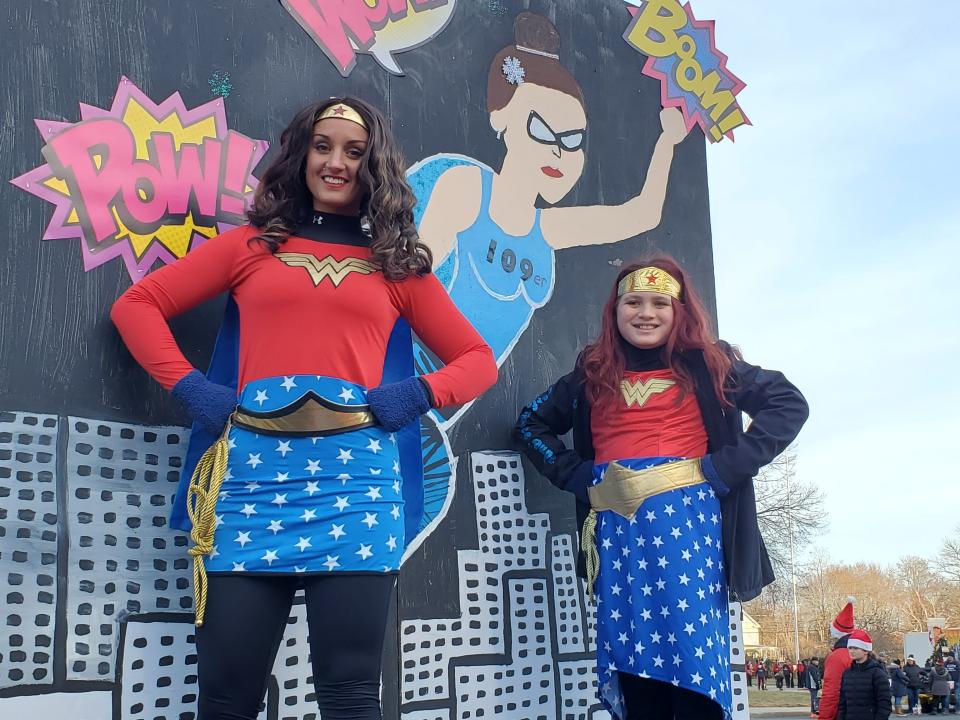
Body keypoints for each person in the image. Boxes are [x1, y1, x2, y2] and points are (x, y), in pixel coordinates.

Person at [111, 98, 497, 720]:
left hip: (360, 491)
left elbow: (477, 359)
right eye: (323, 146)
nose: (336, 162)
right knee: (226, 697)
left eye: (354, 151)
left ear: (374, 166)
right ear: (300, 155)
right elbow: (137, 306)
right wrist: (191, 388)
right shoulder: (249, 248)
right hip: (249, 488)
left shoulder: (398, 269)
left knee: (349, 696)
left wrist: (419, 394)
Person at [512, 257, 809, 719]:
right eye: (633, 301)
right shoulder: (592, 372)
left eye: (659, 303)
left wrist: (724, 467)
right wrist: (581, 478)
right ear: (615, 310)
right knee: (633, 661)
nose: (645, 312)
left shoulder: (712, 362)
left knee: (694, 663)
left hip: (690, 530)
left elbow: (788, 403)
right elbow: (530, 424)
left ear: (679, 310)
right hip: (619, 534)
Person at [410, 11, 688, 427]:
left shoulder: (548, 230)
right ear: (500, 118)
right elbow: (410, 286)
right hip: (403, 380)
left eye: (572, 140)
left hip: (446, 409)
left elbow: (640, 215)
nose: (558, 151)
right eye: (542, 130)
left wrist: (668, 142)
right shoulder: (467, 188)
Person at [838, 629, 891, 720]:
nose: (851, 651)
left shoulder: (877, 673)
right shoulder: (847, 673)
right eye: (850, 648)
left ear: (866, 651)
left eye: (855, 648)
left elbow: (884, 704)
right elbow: (843, 703)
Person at [820, 599, 857, 720]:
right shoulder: (863, 654)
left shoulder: (837, 657)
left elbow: (832, 693)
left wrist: (825, 717)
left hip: (843, 712)